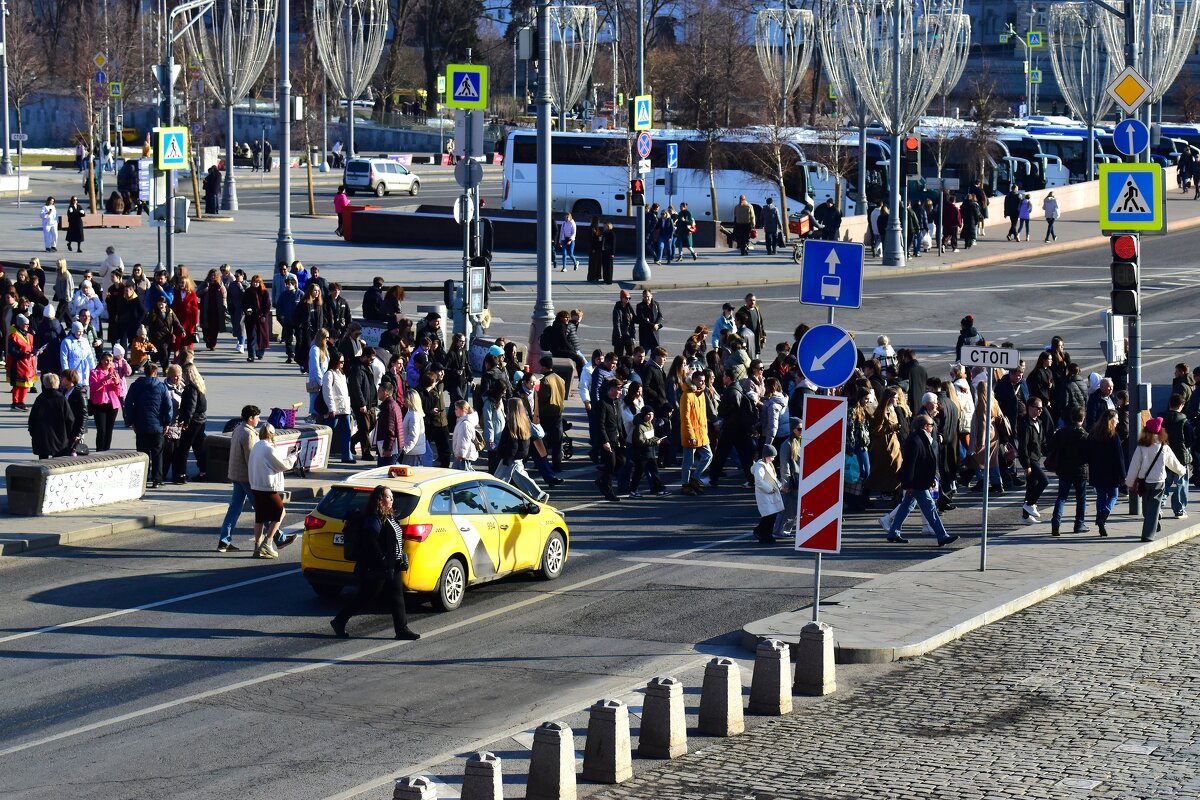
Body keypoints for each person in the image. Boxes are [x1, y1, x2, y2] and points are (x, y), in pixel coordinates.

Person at [330, 485, 420, 640]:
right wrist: (383, 560)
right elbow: (370, 540)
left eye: (392, 497)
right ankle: (339, 621)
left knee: (397, 597)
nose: (391, 499)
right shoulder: (374, 518)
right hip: (381, 566)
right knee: (366, 596)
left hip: (394, 564)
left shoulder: (389, 516)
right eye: (387, 496)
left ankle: (402, 629)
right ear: (379, 499)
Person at [882, 414, 958, 546]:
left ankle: (893, 532)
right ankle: (942, 536)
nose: (933, 428)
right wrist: (909, 485)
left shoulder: (922, 438)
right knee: (930, 508)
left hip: (920, 481)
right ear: (925, 426)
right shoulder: (916, 440)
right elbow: (910, 465)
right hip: (917, 483)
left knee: (906, 507)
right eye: (931, 425)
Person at [1126, 416, 1186, 542]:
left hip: (1144, 482)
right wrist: (1182, 471)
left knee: (1147, 508)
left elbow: (1134, 466)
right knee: (1152, 508)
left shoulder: (1141, 447)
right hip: (1159, 481)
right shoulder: (1164, 447)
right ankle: (1153, 524)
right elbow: (1173, 463)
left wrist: (1129, 482)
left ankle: (1148, 534)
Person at [247, 424, 297, 558]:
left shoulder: (257, 446)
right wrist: (293, 456)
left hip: (256, 486)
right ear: (272, 435)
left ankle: (257, 547)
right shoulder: (269, 449)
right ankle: (268, 543)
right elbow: (283, 465)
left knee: (260, 518)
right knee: (280, 512)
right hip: (267, 487)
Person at [217, 405, 260, 552]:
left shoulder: (237, 429)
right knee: (262, 509)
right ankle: (278, 537)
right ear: (250, 418)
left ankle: (224, 541)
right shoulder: (249, 434)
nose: (259, 420)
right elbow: (251, 459)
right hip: (246, 477)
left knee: (234, 509)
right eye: (257, 417)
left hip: (236, 475)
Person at [124, 362, 173, 488]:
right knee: (157, 453)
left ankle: (143, 478)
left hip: (141, 425)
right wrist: (167, 422)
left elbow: (128, 404)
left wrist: (131, 421)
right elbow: (168, 406)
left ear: (145, 372)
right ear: (155, 373)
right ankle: (157, 479)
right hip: (157, 425)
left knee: (142, 453)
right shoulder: (162, 387)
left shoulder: (135, 386)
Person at [1047, 407, 1090, 536]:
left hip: (1064, 468)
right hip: (1080, 470)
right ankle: (1079, 524)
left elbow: (1052, 448)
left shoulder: (1061, 433)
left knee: (1062, 497)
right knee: (1081, 498)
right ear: (1082, 419)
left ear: (1071, 418)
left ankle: (1056, 522)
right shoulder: (1085, 435)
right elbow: (1088, 455)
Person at [497, 396, 547, 500]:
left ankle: (494, 499)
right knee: (521, 477)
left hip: (511, 457)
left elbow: (513, 444)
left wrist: (508, 458)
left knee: (500, 479)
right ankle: (539, 495)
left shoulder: (512, 423)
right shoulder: (524, 420)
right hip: (519, 455)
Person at [1087, 409, 1125, 537]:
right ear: (1111, 420)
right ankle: (1103, 516)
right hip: (1111, 471)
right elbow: (1119, 457)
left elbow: (1089, 455)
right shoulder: (1114, 436)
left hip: (1097, 471)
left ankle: (1100, 517)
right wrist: (1123, 475)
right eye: (1116, 418)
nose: (1118, 421)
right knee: (1114, 495)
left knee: (1101, 496)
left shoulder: (1093, 434)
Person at [172, 362, 209, 483]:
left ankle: (181, 474)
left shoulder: (191, 388)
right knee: (199, 447)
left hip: (193, 421)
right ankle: (204, 471)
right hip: (201, 420)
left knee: (183, 448)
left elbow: (190, 407)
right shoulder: (200, 385)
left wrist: (185, 421)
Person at [1160, 393, 1192, 520]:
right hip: (1180, 456)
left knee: (1164, 484)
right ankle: (1179, 510)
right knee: (1181, 484)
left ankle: (1159, 507)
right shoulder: (1184, 421)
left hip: (1163, 455)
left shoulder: (1160, 418)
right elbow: (1190, 439)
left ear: (1170, 404)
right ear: (1181, 405)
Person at [29, 373, 73, 458]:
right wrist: (69, 435)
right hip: (60, 437)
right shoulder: (61, 399)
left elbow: (32, 418)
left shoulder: (40, 398)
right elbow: (69, 419)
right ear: (57, 384)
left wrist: (33, 433)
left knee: (42, 461)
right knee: (57, 464)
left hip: (42, 437)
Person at [628, 408, 669, 498]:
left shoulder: (650, 424)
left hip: (651, 453)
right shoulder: (639, 427)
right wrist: (655, 442)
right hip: (642, 454)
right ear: (644, 415)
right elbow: (640, 441)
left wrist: (657, 439)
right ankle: (633, 490)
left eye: (652, 414)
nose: (650, 417)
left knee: (655, 472)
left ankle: (659, 490)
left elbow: (651, 436)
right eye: (648, 414)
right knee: (638, 473)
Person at [323, 351, 355, 464]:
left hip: (344, 408)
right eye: (340, 362)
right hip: (335, 409)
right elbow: (327, 392)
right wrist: (331, 408)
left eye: (343, 362)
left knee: (347, 432)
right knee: (328, 432)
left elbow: (345, 392)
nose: (342, 364)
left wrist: (349, 406)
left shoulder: (342, 374)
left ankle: (347, 456)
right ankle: (322, 455)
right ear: (335, 361)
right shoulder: (329, 374)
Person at [88, 350, 123, 451]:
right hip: (99, 405)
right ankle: (99, 451)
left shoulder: (114, 372)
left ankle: (106, 451)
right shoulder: (95, 372)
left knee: (109, 430)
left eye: (110, 361)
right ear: (101, 361)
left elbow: (119, 392)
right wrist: (104, 379)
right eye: (106, 360)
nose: (108, 363)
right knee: (101, 430)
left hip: (112, 405)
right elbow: (93, 388)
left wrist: (116, 383)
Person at [7, 314, 37, 411]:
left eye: (28, 324)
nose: (28, 326)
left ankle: (21, 401)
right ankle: (15, 402)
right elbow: (12, 351)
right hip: (18, 363)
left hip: (28, 364)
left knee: (26, 385)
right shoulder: (14, 336)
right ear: (20, 324)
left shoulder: (29, 335)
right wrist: (24, 354)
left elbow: (31, 347)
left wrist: (36, 351)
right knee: (18, 385)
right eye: (25, 324)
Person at [242, 273, 272, 361]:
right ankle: (251, 355)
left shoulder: (264, 292)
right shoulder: (248, 292)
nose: (255, 284)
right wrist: (247, 310)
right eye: (254, 282)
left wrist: (264, 315)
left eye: (257, 282)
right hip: (251, 318)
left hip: (261, 318)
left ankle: (260, 353)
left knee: (261, 336)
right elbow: (243, 303)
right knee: (251, 336)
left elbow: (267, 305)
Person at [198, 269, 227, 351]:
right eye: (211, 275)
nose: (212, 277)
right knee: (205, 328)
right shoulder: (205, 284)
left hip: (216, 310)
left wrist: (224, 306)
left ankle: (212, 344)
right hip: (206, 309)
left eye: (214, 276)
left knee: (215, 328)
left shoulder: (220, 284)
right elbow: (197, 293)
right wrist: (204, 290)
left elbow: (224, 295)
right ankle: (206, 339)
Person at [451, 400, 480, 470]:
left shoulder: (465, 424)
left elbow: (464, 441)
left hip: (463, 456)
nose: (454, 411)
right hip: (465, 455)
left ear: (463, 410)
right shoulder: (463, 421)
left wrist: (460, 455)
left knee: (461, 474)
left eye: (456, 409)